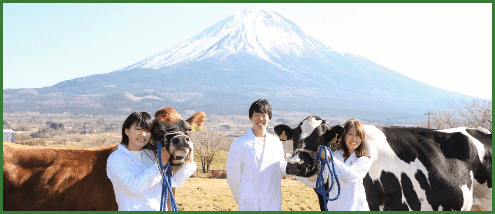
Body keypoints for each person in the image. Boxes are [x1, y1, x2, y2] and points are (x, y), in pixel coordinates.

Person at [106, 111, 197, 211]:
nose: (143, 135)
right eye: (138, 129)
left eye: (147, 130)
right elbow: (133, 187)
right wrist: (160, 166)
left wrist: (189, 157)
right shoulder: (116, 159)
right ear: (126, 131)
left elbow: (174, 182)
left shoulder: (152, 155)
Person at [226, 99, 288, 211]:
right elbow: (232, 177)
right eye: (256, 115)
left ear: (269, 117)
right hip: (250, 205)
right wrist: (243, 198)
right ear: (251, 118)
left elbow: (280, 169)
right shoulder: (240, 144)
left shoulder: (276, 143)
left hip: (273, 204)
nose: (260, 119)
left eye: (264, 115)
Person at [297, 119, 371, 211]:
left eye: (358, 135)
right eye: (350, 134)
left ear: (362, 139)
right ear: (344, 137)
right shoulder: (335, 155)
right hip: (335, 208)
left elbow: (349, 175)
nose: (354, 139)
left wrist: (330, 159)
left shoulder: (364, 160)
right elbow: (321, 180)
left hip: (356, 208)